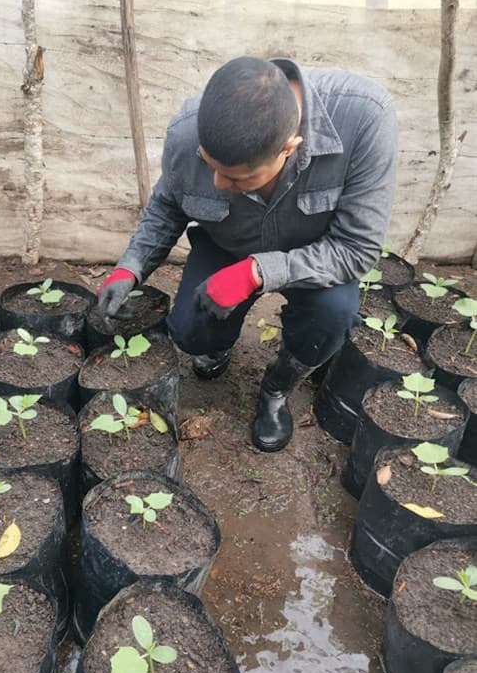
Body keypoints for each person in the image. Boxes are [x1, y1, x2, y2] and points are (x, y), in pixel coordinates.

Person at [97, 56, 398, 452]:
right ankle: (218, 343)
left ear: (290, 148)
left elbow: (356, 248)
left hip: (315, 256)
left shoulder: (363, 118)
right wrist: (130, 268)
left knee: (331, 319)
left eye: (237, 177)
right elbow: (167, 207)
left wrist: (256, 272)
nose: (219, 183)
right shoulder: (188, 133)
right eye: (211, 167)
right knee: (190, 331)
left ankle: (277, 389)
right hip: (229, 246)